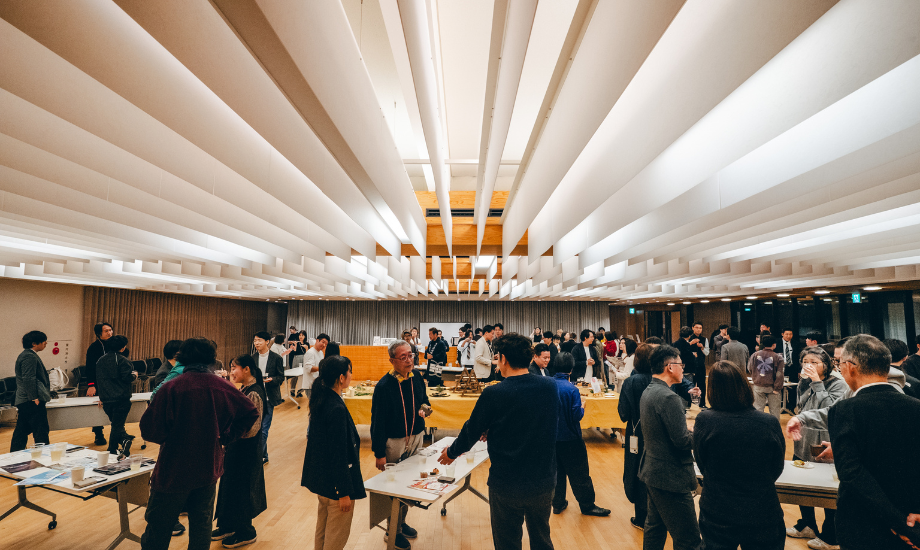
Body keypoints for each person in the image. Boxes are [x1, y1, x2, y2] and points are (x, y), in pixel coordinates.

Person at [438, 333, 558, 550]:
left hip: (507, 481)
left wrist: (452, 452)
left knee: (507, 543)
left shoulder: (494, 392)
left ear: (503, 358)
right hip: (543, 478)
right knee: (542, 538)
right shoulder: (549, 386)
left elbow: (471, 430)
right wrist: (494, 427)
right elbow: (537, 421)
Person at [139, 338, 259, 550]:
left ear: (182, 357)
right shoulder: (223, 386)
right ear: (211, 358)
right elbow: (250, 412)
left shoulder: (172, 387)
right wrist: (225, 437)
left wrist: (167, 437)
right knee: (201, 529)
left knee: (159, 528)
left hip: (173, 468)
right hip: (208, 467)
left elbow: (149, 429)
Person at [828, 334, 920, 549]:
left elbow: (851, 473)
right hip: (912, 518)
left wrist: (896, 521)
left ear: (850, 367)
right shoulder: (916, 407)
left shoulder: (845, 409)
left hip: (862, 521)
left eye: (839, 364)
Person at [693, 361, 785, 550]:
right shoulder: (768, 422)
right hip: (761, 507)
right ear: (745, 386)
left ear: (712, 389)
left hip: (717, 507)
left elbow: (702, 462)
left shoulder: (705, 420)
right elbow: (777, 466)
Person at [639, 344, 701, 550]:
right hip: (670, 476)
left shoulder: (650, 390)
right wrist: (702, 433)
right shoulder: (669, 397)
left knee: (655, 529)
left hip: (653, 470)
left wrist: (686, 429)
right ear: (670, 367)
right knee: (689, 539)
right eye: (681, 364)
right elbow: (682, 441)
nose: (683, 369)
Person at [784, 346, 847, 549]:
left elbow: (831, 410)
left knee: (826, 488)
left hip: (824, 441)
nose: (808, 365)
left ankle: (831, 535)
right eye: (805, 362)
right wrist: (808, 382)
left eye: (814, 362)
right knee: (801, 483)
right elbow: (800, 406)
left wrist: (817, 382)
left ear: (826, 365)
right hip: (803, 437)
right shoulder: (804, 381)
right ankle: (807, 524)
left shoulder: (838, 383)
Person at [370, 340, 430, 550]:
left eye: (410, 355)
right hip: (394, 442)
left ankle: (401, 522)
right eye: (403, 357)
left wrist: (425, 409)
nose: (408, 360)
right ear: (392, 361)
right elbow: (377, 422)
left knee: (409, 483)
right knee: (393, 487)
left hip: (416, 437)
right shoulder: (384, 386)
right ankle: (392, 531)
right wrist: (379, 453)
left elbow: (425, 401)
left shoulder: (417, 378)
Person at [303, 355, 366, 550]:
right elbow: (338, 453)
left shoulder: (322, 399)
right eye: (350, 371)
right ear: (341, 377)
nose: (351, 375)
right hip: (336, 485)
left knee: (323, 531)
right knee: (336, 538)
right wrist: (344, 492)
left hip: (323, 481)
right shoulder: (335, 407)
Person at [212, 355, 267, 548]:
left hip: (246, 450)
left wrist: (227, 434)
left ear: (247, 369)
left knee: (242, 490)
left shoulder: (254, 392)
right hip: (235, 448)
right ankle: (227, 525)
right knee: (229, 487)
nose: (231, 372)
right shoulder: (244, 389)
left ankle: (245, 531)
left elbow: (252, 428)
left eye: (234, 367)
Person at [548, 352, 610, 517]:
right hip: (571, 438)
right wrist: (582, 406)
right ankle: (587, 506)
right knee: (579, 473)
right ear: (571, 369)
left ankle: (557, 503)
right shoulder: (572, 389)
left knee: (557, 472)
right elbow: (576, 416)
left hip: (552, 438)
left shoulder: (547, 385)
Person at [618, 343, 658, 530]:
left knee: (636, 471)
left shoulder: (631, 382)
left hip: (636, 432)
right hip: (658, 434)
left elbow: (623, 413)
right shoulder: (660, 381)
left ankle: (641, 518)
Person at [95, 334, 138, 454]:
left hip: (105, 398)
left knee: (116, 424)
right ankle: (112, 450)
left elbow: (99, 379)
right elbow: (127, 378)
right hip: (121, 398)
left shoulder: (100, 360)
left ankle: (124, 441)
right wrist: (134, 375)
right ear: (123, 348)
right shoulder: (123, 360)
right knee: (117, 426)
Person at [11, 330, 51, 452]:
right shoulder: (29, 356)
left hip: (26, 399)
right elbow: (28, 378)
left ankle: (15, 455)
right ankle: (43, 455)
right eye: (43, 341)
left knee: (22, 430)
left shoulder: (27, 355)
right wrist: (34, 397)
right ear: (34, 343)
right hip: (30, 400)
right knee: (40, 430)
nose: (46, 343)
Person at [252, 331, 284, 464]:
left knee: (264, 429)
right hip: (255, 397)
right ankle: (264, 455)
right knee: (256, 428)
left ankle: (257, 457)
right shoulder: (252, 358)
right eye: (255, 340)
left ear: (267, 341)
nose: (256, 343)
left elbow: (281, 377)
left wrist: (272, 380)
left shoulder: (276, 358)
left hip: (269, 398)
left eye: (259, 340)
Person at [85, 321, 115, 446]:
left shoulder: (115, 345)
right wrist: (91, 385)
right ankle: (98, 434)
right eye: (106, 331)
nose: (109, 333)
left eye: (110, 330)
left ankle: (120, 432)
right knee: (97, 409)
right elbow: (90, 367)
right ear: (99, 334)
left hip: (113, 381)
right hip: (98, 382)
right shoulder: (94, 347)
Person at [748, 334, 785, 421]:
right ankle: (774, 428)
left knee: (758, 410)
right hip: (773, 387)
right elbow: (779, 374)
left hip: (758, 385)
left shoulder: (755, 354)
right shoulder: (778, 357)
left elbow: (749, 368)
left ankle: (758, 428)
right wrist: (777, 388)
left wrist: (755, 376)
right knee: (774, 412)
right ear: (774, 345)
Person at [689, 323, 709, 407]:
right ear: (692, 328)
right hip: (691, 366)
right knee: (690, 384)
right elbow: (684, 350)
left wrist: (702, 348)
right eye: (696, 327)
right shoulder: (689, 338)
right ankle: (688, 404)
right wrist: (690, 343)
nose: (698, 329)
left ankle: (702, 403)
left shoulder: (704, 339)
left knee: (702, 385)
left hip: (701, 365)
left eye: (700, 328)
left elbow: (707, 353)